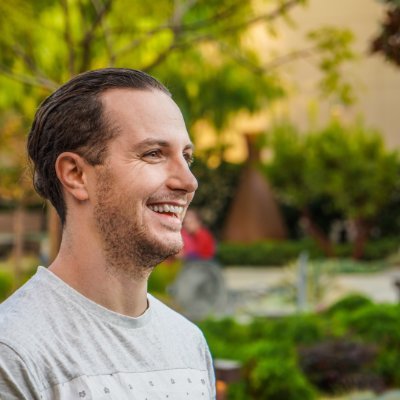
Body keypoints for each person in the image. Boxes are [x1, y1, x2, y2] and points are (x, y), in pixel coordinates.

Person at [0, 68, 216, 399]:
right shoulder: (14, 353)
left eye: (187, 157)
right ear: (76, 175)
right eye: (153, 154)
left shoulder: (189, 344)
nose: (189, 182)